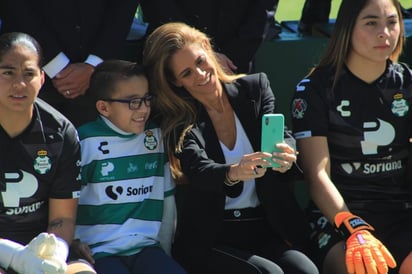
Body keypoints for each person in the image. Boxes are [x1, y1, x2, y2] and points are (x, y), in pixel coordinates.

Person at [142, 22, 319, 274]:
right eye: (187, 73)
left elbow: (283, 136)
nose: (200, 74)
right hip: (214, 236)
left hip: (265, 225)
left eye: (201, 62)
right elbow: (198, 170)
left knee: (306, 271)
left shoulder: (254, 89)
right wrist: (234, 171)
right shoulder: (178, 120)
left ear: (207, 48)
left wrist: (287, 153)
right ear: (176, 82)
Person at [290, 0, 412, 273]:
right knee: (364, 267)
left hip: (400, 213)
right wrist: (353, 227)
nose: (385, 32)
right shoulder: (315, 89)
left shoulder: (407, 82)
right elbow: (316, 174)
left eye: (392, 22)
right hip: (339, 216)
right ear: (346, 29)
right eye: (371, 23)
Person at [71, 60, 187, 274]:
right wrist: (71, 243)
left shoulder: (156, 136)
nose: (143, 109)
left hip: (146, 249)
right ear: (104, 107)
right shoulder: (83, 141)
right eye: (133, 102)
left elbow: (167, 200)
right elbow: (64, 200)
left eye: (146, 99)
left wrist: (165, 252)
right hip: (97, 252)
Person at [0, 32, 96, 274]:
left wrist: (54, 256)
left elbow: (62, 219)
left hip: (38, 247)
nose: (19, 84)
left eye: (29, 73)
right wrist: (15, 258)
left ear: (42, 78)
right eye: (8, 72)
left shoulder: (61, 134)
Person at [0, 0, 139, 127]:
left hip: (99, 81)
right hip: (29, 75)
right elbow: (15, 8)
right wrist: (56, 66)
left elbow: (122, 8)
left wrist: (94, 64)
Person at [139, 0, 278, 74]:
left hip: (235, 63)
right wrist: (201, 53)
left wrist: (233, 58)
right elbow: (158, 5)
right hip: (173, 59)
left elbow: (263, 8)